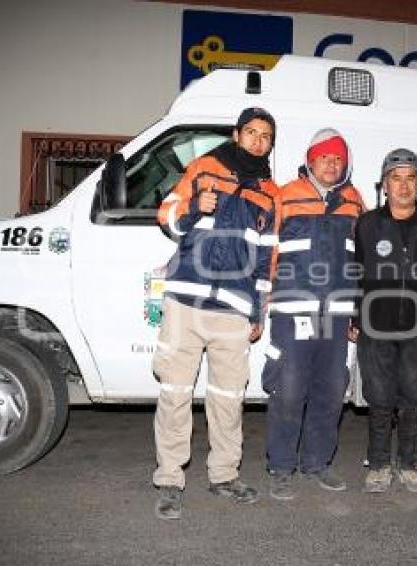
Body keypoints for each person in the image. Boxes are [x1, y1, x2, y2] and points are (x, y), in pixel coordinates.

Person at [151, 107, 279, 520]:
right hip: (185, 301)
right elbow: (166, 215)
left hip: (234, 309)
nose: (258, 141)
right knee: (174, 394)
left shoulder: (269, 192)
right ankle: (170, 478)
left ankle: (223, 474)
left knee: (228, 397)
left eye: (266, 136)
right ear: (236, 134)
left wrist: (259, 308)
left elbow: (266, 259)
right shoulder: (204, 168)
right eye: (252, 133)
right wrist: (193, 205)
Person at [264, 128, 365, 500]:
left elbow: (362, 260)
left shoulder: (354, 201)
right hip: (293, 310)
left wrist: (357, 311)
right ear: (310, 159)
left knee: (330, 390)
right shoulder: (285, 195)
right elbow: (268, 250)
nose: (331, 163)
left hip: (336, 315)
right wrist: (264, 299)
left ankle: (317, 463)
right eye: (324, 156)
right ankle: (280, 467)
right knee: (288, 390)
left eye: (338, 158)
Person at [352, 149, 417, 494]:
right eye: (396, 177)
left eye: (410, 177)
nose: (403, 185)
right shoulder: (367, 224)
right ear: (384, 184)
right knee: (379, 397)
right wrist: (355, 315)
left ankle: (410, 465)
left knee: (413, 396)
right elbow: (354, 274)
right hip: (375, 326)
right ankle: (379, 464)